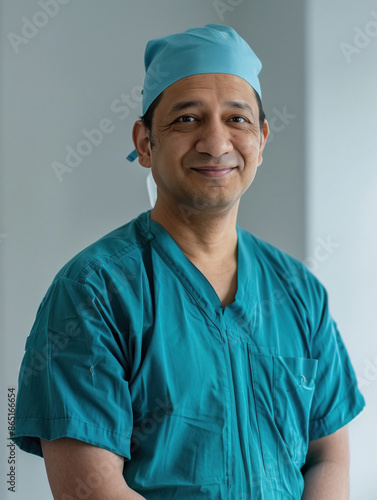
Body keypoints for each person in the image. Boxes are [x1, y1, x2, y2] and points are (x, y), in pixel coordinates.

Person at [13, 24, 365, 500]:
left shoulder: (299, 290)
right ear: (144, 142)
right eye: (186, 119)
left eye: (237, 120)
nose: (216, 143)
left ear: (261, 140)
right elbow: (91, 492)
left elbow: (327, 454)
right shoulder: (94, 291)